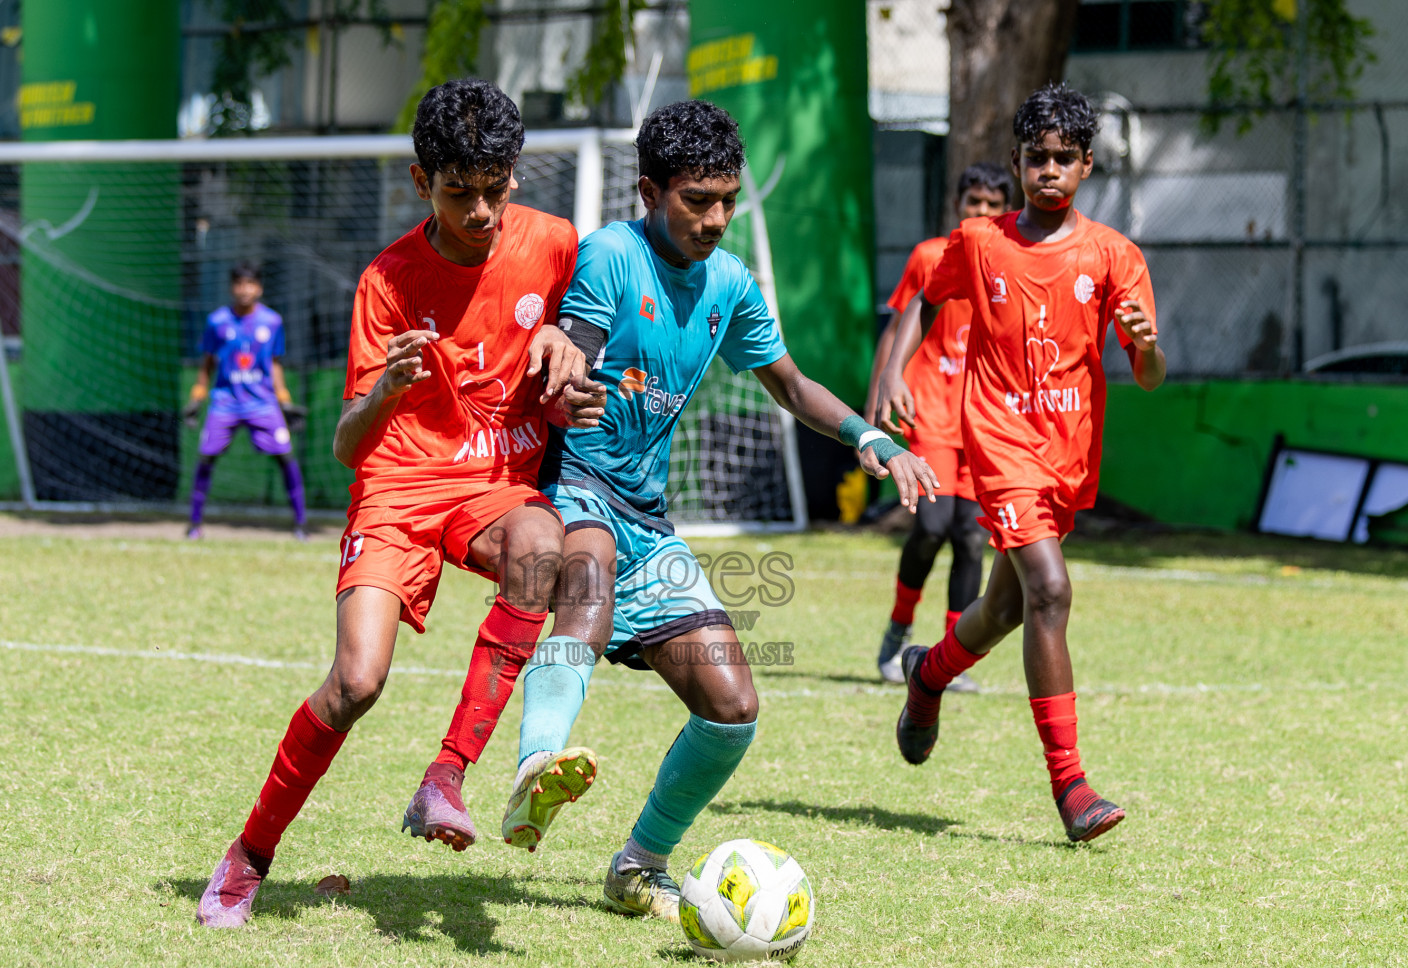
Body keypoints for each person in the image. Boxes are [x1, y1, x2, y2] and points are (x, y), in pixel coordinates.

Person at [491, 99, 939, 923]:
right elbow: (572, 357)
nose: (717, 218)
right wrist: (570, 384)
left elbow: (792, 384)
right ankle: (535, 768)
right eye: (697, 199)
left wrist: (869, 437)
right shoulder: (612, 256)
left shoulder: (730, 284)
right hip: (574, 486)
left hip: (649, 515)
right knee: (586, 585)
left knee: (733, 710)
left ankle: (639, 863)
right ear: (650, 189)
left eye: (727, 199)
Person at [195, 79, 603, 928]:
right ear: (422, 183)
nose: (483, 210)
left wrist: (573, 368)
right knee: (355, 682)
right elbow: (348, 443)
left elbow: (583, 340)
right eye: (461, 193)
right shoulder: (386, 279)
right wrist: (389, 387)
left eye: (496, 188)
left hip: (493, 485)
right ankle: (250, 855)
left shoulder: (558, 245)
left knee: (542, 544)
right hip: (398, 489)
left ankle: (445, 778)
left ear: (515, 176)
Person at [874, 83, 1166, 843]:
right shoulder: (978, 244)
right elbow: (920, 303)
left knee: (1005, 609)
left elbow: (1149, 373)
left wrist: (1147, 341)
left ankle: (927, 674)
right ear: (1017, 162)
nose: (1049, 171)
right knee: (1051, 589)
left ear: (1086, 166)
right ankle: (1071, 787)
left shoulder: (1114, 256)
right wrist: (894, 379)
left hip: (1067, 455)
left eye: (1064, 159)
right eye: (1036, 158)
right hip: (999, 443)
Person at [867, 163, 1011, 689]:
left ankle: (953, 658)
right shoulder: (932, 257)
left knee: (971, 540)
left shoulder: (1011, 264)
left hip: (988, 423)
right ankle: (899, 631)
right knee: (930, 527)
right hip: (930, 411)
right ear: (958, 206)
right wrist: (879, 396)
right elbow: (899, 328)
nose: (983, 213)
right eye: (974, 202)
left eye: (994, 205)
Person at [183, 263, 309, 540]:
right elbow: (207, 364)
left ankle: (301, 525)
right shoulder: (217, 321)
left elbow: (274, 364)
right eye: (239, 283)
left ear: (259, 288)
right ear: (231, 287)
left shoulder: (272, 321)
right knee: (206, 457)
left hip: (262, 402)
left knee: (286, 457)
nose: (244, 290)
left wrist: (284, 400)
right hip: (225, 401)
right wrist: (197, 396)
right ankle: (194, 525)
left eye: (250, 283)